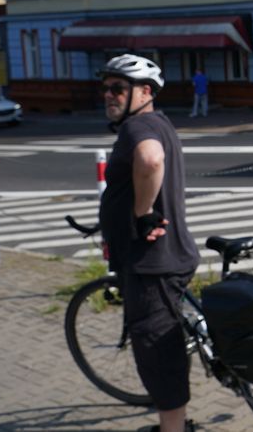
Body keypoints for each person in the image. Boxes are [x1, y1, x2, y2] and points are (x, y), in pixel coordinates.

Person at [97, 54, 200, 432]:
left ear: (144, 92)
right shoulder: (159, 122)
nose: (109, 94)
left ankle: (174, 428)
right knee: (166, 339)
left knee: (158, 351)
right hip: (167, 256)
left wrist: (142, 215)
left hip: (153, 263)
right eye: (105, 88)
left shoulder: (137, 128)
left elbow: (151, 161)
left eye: (118, 88)